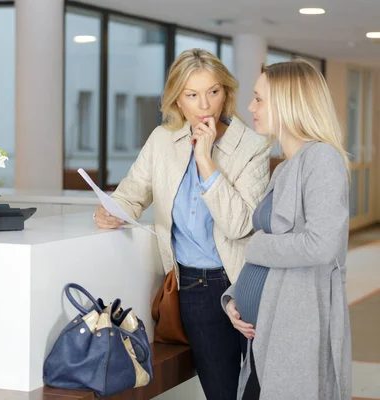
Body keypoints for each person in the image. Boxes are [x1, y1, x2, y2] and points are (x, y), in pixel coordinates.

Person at [95, 49, 271, 400]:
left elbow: (238, 224)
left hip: (245, 282)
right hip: (193, 289)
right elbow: (131, 195)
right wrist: (112, 211)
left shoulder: (251, 146)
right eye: (192, 94)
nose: (205, 105)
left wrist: (205, 159)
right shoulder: (163, 140)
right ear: (178, 98)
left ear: (226, 92)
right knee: (220, 392)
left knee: (259, 389)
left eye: (213, 91)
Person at [223, 60, 352, 400]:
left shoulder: (323, 159)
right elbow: (274, 245)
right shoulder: (285, 168)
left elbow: (321, 245)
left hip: (295, 324)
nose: (250, 107)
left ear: (288, 102)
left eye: (259, 99)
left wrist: (253, 247)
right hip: (265, 328)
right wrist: (235, 296)